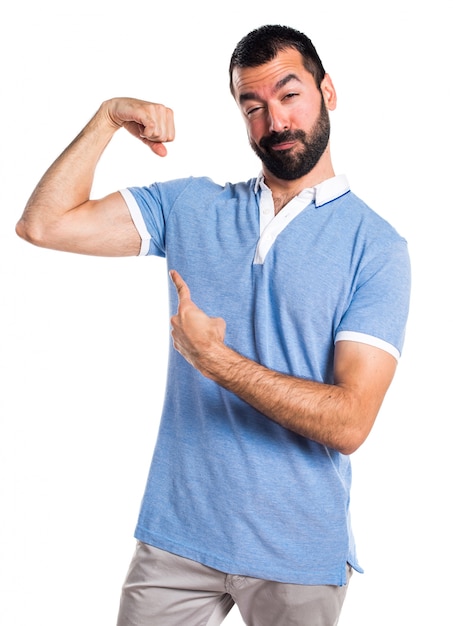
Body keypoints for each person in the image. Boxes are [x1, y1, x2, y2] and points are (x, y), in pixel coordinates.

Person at [16, 24, 411, 626]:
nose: (274, 121)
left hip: (297, 547)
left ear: (327, 91)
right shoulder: (192, 207)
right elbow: (44, 225)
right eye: (252, 106)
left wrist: (216, 360)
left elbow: (350, 421)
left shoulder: (377, 247)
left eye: (289, 95)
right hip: (178, 535)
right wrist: (107, 119)